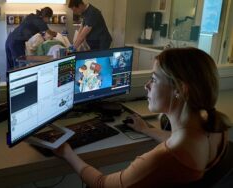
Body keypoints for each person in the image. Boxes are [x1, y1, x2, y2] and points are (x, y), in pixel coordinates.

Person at [54, 48, 232, 187]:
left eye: (154, 79)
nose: (147, 85)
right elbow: (180, 140)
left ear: (180, 90)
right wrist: (147, 130)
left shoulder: (163, 158)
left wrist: (68, 154)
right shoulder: (214, 127)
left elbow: (102, 183)